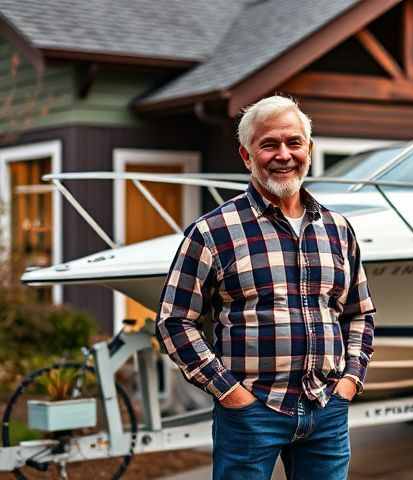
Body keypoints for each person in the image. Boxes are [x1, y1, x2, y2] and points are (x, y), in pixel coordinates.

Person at [155, 95, 376, 480]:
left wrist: (350, 380)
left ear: (310, 148)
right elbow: (174, 321)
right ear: (246, 155)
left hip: (326, 409)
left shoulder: (338, 229)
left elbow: (359, 313)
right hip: (250, 413)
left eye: (294, 142)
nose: (284, 154)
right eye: (269, 144)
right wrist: (230, 392)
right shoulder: (212, 231)